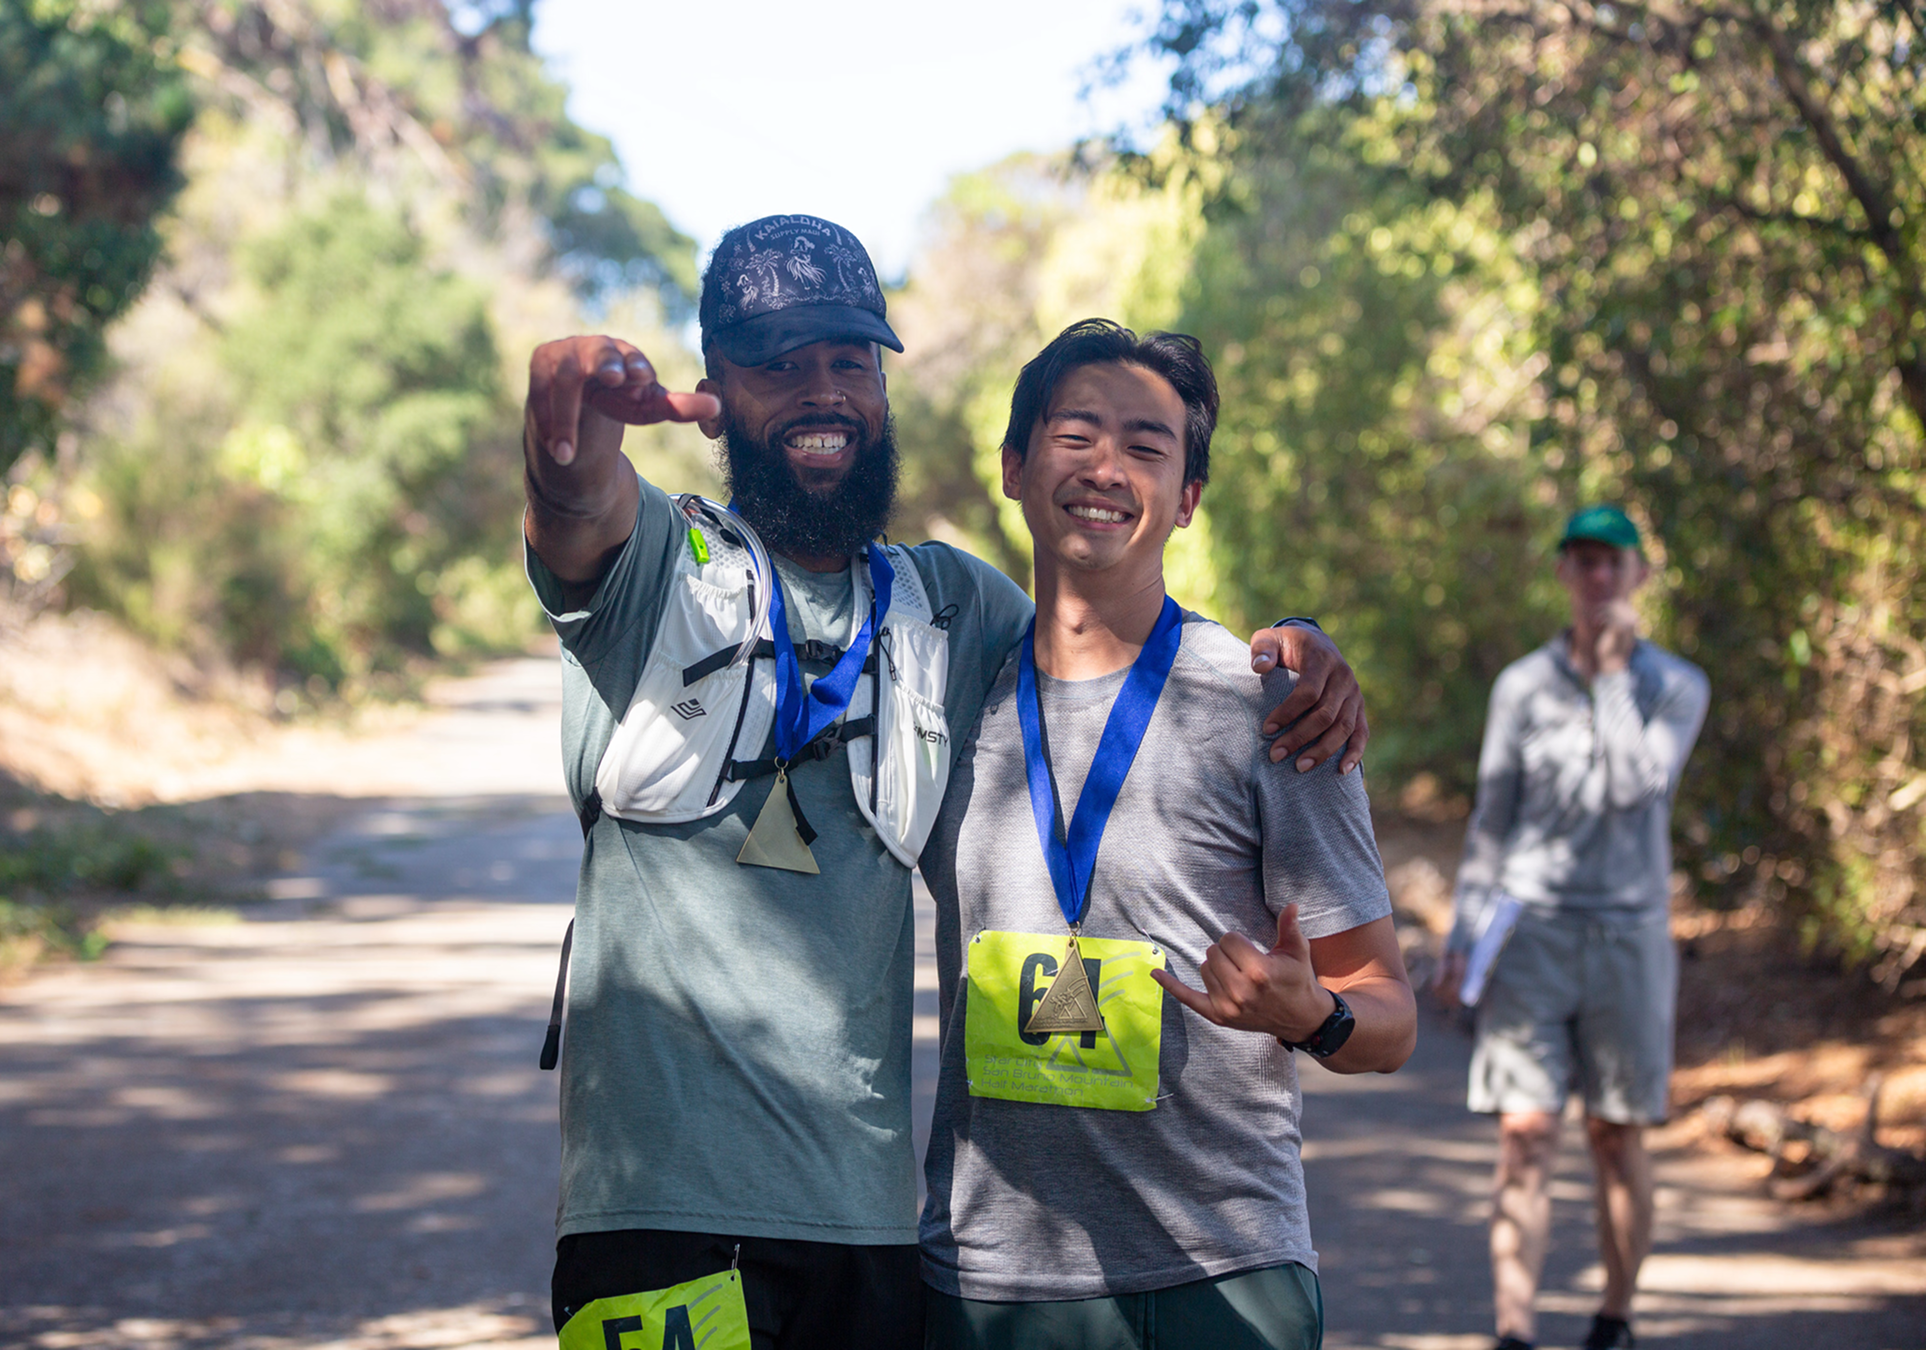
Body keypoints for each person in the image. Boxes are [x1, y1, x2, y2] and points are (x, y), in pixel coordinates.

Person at [521, 216, 1370, 1348]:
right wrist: (562, 424)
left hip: (877, 1243)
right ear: (713, 389)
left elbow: (1117, 636)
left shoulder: (951, 607)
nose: (822, 391)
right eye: (778, 365)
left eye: (849, 362)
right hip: (659, 1216)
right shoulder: (657, 574)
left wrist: (1301, 647)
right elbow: (577, 508)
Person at [917, 318, 1417, 1349]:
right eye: (1076, 434)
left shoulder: (1269, 707)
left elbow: (1392, 1015)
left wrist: (1311, 1012)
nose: (1107, 468)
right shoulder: (943, 693)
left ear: (1186, 497)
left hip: (1218, 1277)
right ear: (1014, 465)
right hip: (987, 1279)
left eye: (1146, 447)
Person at [1433, 505, 1709, 1350]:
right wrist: (1461, 936)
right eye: (1582, 561)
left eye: (1611, 563)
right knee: (1524, 1133)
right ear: (1562, 573)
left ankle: (1613, 1319)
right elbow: (1493, 818)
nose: (1596, 577)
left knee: (1614, 1133)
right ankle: (1513, 1333)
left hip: (1628, 936)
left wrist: (1612, 677)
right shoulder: (1520, 685)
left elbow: (1636, 788)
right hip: (1531, 932)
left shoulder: (1676, 686)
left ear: (1637, 576)